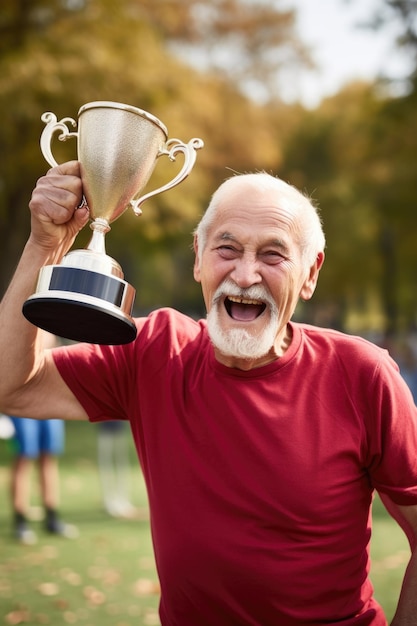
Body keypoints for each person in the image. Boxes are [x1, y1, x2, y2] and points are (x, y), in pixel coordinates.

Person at [0, 160, 416, 625]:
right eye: (227, 248)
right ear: (198, 256)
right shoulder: (154, 351)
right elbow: (11, 386)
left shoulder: (363, 374)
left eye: (273, 255)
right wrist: (45, 243)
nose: (244, 274)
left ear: (310, 272)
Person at [8, 332, 78, 544]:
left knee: (49, 456)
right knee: (24, 457)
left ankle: (52, 517)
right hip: (22, 398)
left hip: (48, 396)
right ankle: (20, 521)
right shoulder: (18, 318)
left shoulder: (46, 317)